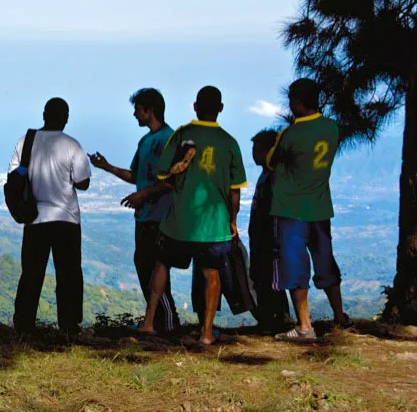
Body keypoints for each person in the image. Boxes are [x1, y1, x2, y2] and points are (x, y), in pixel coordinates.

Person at [136, 86, 247, 345]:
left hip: (180, 219)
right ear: (220, 108)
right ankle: (207, 333)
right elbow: (234, 193)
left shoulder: (182, 135)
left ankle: (149, 322)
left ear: (195, 106)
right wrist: (232, 221)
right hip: (214, 223)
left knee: (162, 264)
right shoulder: (230, 142)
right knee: (211, 273)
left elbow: (163, 174)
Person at [89, 88, 180, 333]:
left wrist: (144, 194)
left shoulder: (169, 139)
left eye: (137, 109)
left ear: (149, 110)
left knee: (157, 268)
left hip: (161, 217)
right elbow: (135, 176)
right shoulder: (145, 141)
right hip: (144, 217)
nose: (134, 114)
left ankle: (168, 323)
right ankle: (158, 322)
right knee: (144, 264)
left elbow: (172, 180)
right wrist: (106, 167)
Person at [268, 78, 349, 342]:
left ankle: (305, 326)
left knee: (294, 266)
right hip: (320, 206)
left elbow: (271, 162)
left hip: (291, 208)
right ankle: (340, 316)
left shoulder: (290, 134)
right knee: (325, 260)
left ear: (296, 103)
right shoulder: (332, 128)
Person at [10, 98, 91, 334]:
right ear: (66, 118)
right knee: (69, 274)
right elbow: (82, 182)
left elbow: (14, 176)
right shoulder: (72, 145)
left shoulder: (26, 142)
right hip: (66, 219)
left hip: (35, 218)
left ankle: (24, 325)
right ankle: (69, 325)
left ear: (44, 114)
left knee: (32, 274)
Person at [248, 129, 292, 332]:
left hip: (268, 238)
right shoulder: (267, 175)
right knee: (262, 277)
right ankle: (269, 319)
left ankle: (277, 319)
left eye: (257, 149)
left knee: (269, 278)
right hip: (260, 237)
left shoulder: (273, 177)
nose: (253, 154)